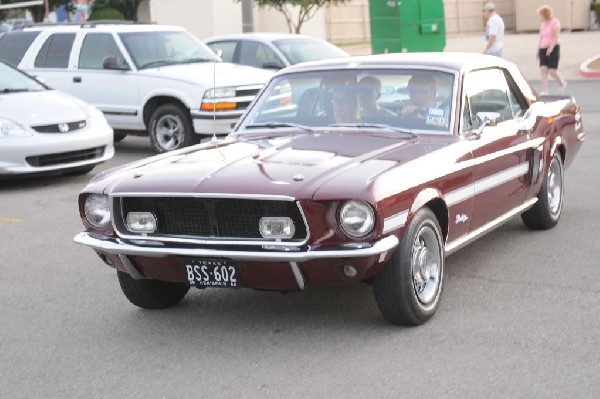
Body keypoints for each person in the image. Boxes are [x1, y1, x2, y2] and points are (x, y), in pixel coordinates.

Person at [537, 5, 567, 94]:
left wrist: (551, 47)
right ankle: (545, 91)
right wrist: (538, 49)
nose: (539, 17)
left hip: (553, 47)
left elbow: (556, 36)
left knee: (552, 70)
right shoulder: (542, 24)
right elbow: (541, 37)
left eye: (541, 15)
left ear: (545, 14)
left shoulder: (555, 22)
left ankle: (562, 83)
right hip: (543, 47)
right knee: (543, 69)